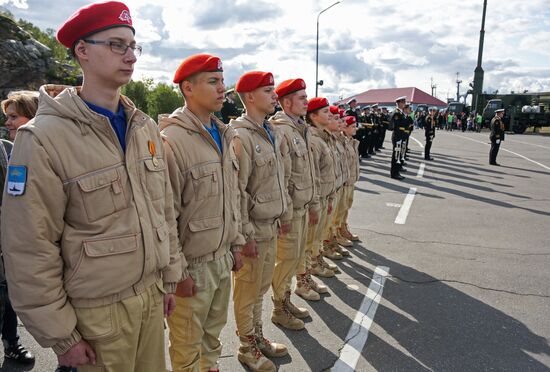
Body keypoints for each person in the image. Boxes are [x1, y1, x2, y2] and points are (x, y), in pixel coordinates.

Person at [1, 2, 183, 371]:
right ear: (82, 51)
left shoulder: (143, 126)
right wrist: (62, 336)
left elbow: (163, 208)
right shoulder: (44, 137)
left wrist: (168, 276)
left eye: (133, 46)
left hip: (150, 298)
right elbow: (29, 245)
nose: (130, 56)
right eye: (117, 44)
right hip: (96, 317)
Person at [160, 53, 245, 371]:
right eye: (213, 81)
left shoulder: (223, 133)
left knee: (212, 338)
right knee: (186, 346)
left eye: (222, 80)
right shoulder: (173, 140)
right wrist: (177, 273)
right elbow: (166, 214)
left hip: (221, 258)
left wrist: (234, 245)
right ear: (188, 88)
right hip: (192, 268)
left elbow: (231, 198)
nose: (222, 88)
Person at [229, 71, 288, 372]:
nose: (275, 95)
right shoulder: (241, 136)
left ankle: (257, 336)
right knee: (248, 289)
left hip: (270, 226)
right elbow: (238, 192)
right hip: (253, 231)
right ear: (250, 97)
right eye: (269, 90)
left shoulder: (268, 132)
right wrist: (244, 236)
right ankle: (246, 347)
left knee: (260, 288)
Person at [269, 78, 319, 330]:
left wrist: (312, 203)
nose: (306, 101)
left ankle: (285, 299)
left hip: (302, 206)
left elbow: (307, 170)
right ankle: (278, 307)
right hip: (290, 211)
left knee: (295, 257)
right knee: (286, 258)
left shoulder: (302, 128)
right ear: (286, 102)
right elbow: (282, 178)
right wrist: (285, 215)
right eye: (301, 98)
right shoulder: (282, 130)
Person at [0, 92, 39, 365]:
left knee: (9, 294)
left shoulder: (45, 151)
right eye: (7, 117)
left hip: (25, 242)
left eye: (14, 116)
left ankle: (11, 344)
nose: (7, 123)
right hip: (8, 239)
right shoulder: (5, 147)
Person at [339, 115, 360, 242]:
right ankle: (335, 235)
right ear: (345, 128)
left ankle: (342, 228)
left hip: (351, 180)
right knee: (339, 211)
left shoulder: (351, 141)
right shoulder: (343, 141)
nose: (355, 129)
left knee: (346, 207)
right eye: (352, 127)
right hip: (344, 182)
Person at [390, 96, 407, 180]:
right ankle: (394, 173)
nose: (405, 104)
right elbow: (397, 127)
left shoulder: (401, 113)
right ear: (399, 103)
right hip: (397, 136)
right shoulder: (397, 113)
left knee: (398, 154)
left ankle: (397, 171)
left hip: (400, 136)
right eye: (403, 102)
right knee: (396, 155)